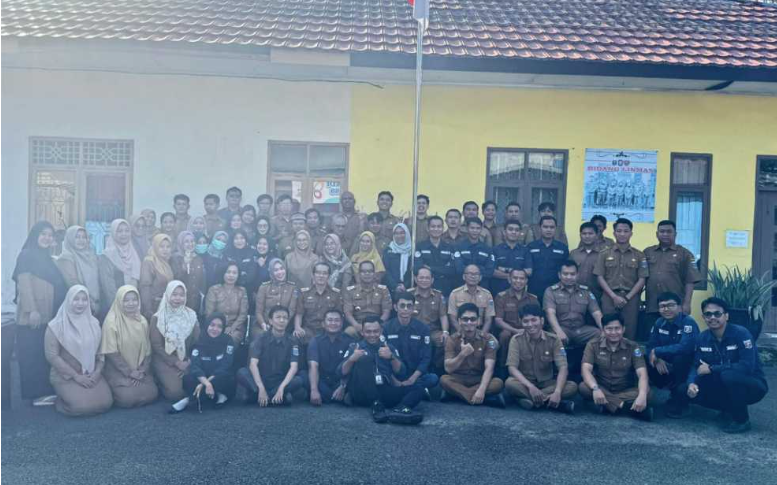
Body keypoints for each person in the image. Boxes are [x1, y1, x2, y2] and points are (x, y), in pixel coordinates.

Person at [683, 298, 768, 433]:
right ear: (703, 317)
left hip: (753, 385)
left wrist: (712, 368)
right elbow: (696, 365)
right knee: (683, 390)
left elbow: (747, 366)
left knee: (729, 375)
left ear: (726, 316)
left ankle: (742, 420)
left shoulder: (741, 334)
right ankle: (728, 409)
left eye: (717, 314)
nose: (712, 317)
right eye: (708, 314)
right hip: (722, 381)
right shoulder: (702, 338)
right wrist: (691, 383)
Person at [13, 221, 68, 406]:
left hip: (47, 313)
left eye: (50, 235)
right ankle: (35, 395)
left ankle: (44, 392)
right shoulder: (26, 255)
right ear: (35, 235)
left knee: (42, 353)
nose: (47, 238)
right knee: (31, 354)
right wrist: (32, 310)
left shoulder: (47, 257)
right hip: (33, 315)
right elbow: (24, 284)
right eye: (43, 234)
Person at [338, 317, 424, 424]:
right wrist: (351, 359)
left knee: (418, 387)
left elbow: (401, 372)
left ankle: (399, 410)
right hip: (362, 392)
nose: (372, 335)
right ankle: (376, 407)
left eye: (375, 331)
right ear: (362, 332)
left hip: (384, 389)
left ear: (381, 331)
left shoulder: (388, 347)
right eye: (368, 332)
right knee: (365, 359)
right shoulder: (355, 347)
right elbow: (340, 372)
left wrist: (391, 357)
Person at [44, 286, 113, 416]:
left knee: (105, 403)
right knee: (80, 407)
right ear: (68, 300)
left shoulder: (94, 323)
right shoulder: (55, 325)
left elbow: (100, 353)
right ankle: (60, 402)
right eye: (76, 299)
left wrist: (97, 373)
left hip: (91, 374)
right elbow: (52, 356)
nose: (80, 303)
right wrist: (76, 376)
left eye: (84, 299)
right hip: (66, 376)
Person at [504, 304, 576, 413]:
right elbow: (512, 368)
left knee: (572, 386)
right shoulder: (516, 340)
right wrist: (531, 387)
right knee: (509, 383)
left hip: (547, 383)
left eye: (534, 320)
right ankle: (550, 401)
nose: (530, 324)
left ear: (542, 320)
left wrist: (557, 392)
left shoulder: (554, 340)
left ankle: (528, 400)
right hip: (525, 383)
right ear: (521, 322)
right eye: (526, 321)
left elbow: (563, 367)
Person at [579, 314, 652, 421]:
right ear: (603, 330)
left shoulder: (632, 346)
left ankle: (606, 405)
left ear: (623, 329)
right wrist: (596, 388)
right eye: (609, 329)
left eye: (617, 328)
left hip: (624, 389)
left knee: (647, 393)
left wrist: (642, 395)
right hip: (601, 387)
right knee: (583, 387)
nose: (613, 332)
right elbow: (586, 370)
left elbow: (642, 373)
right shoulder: (593, 345)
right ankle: (627, 409)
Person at [100, 285, 158, 408]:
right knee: (128, 399)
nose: (131, 303)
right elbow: (111, 353)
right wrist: (130, 372)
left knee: (152, 394)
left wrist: (142, 370)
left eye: (134, 299)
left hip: (139, 370)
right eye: (126, 300)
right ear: (119, 301)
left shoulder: (142, 321)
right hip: (119, 370)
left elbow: (147, 350)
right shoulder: (111, 322)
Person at [645, 292, 699, 418]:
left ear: (679, 307)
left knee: (680, 358)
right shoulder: (659, 322)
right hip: (665, 364)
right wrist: (657, 359)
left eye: (670, 305)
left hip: (686, 367)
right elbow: (650, 347)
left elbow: (686, 348)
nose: (666, 309)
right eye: (662, 306)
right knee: (643, 360)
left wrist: (658, 351)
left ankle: (681, 400)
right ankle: (647, 396)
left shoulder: (688, 322)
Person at [238, 305, 305, 406]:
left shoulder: (293, 341)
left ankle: (259, 397)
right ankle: (273, 397)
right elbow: (253, 364)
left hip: (280, 381)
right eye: (278, 317)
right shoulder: (261, 338)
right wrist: (261, 388)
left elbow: (294, 367)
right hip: (261, 379)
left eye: (285, 318)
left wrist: (281, 388)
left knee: (298, 380)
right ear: (270, 321)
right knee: (241, 372)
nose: (282, 320)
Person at [170, 312, 237, 413]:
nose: (215, 329)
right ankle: (213, 394)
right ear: (207, 325)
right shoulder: (198, 342)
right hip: (202, 376)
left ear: (223, 328)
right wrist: (207, 384)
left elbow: (226, 365)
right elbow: (195, 366)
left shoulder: (228, 340)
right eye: (212, 325)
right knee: (188, 379)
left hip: (218, 376)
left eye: (219, 326)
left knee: (228, 378)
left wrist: (203, 384)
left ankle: (189, 400)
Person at [441, 303, 505, 407]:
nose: (469, 322)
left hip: (479, 379)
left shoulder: (488, 339)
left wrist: (481, 389)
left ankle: (458, 395)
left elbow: (489, 368)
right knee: (444, 380)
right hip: (458, 378)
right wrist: (462, 354)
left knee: (498, 383)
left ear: (478, 321)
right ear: (459, 321)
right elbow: (448, 369)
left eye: (473, 319)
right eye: (465, 319)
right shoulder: (452, 339)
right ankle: (483, 399)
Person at [594, 218, 648, 341]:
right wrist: (614, 297)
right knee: (608, 331)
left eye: (625, 231)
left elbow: (642, 279)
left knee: (629, 331)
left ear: (631, 233)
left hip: (631, 299)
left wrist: (627, 298)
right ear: (614, 233)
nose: (622, 234)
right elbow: (600, 277)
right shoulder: (604, 254)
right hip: (609, 298)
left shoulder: (639, 255)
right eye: (619, 231)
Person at [149, 281, 201, 401]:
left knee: (194, 385)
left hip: (186, 359)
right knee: (176, 393)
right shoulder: (158, 318)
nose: (178, 298)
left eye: (181, 295)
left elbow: (197, 342)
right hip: (164, 359)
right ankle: (159, 381)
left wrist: (188, 362)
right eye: (174, 294)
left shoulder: (191, 316)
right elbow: (156, 346)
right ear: (167, 295)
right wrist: (176, 362)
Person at [643, 220, 701, 318]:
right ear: (657, 234)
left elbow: (690, 281)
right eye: (662, 231)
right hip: (652, 305)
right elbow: (641, 278)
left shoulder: (685, 254)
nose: (665, 234)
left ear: (675, 234)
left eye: (669, 231)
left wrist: (687, 304)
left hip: (674, 307)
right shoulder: (647, 252)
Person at [383, 292, 439, 392]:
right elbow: (383, 358)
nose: (405, 309)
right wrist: (393, 380)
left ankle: (405, 389)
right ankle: (415, 390)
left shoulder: (423, 329)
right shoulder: (386, 328)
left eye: (409, 306)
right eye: (402, 306)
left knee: (433, 378)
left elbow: (426, 358)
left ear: (413, 308)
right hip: (395, 373)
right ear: (395, 307)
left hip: (415, 374)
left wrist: (412, 379)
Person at [543, 260, 603, 349]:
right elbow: (550, 314)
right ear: (559, 275)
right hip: (561, 328)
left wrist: (604, 329)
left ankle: (589, 358)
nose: (569, 277)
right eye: (565, 274)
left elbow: (597, 313)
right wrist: (559, 331)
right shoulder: (551, 291)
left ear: (577, 275)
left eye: (572, 274)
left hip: (581, 330)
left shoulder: (585, 291)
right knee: (552, 337)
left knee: (600, 335)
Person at [306, 310, 354, 405]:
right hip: (322, 380)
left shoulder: (349, 341)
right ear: (323, 324)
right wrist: (314, 390)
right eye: (330, 320)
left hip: (340, 381)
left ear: (342, 323)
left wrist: (343, 386)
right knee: (304, 376)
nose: (333, 323)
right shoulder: (315, 341)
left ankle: (329, 396)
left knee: (356, 375)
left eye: (337, 320)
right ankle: (337, 397)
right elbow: (313, 366)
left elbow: (351, 367)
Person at [493, 269, 539, 366]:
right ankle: (503, 366)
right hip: (509, 330)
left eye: (522, 278)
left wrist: (527, 330)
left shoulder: (533, 299)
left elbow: (537, 320)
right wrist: (515, 331)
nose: (518, 281)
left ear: (526, 281)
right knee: (504, 335)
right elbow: (498, 320)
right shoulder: (501, 297)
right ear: (509, 279)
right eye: (515, 278)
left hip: (528, 328)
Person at [409, 267, 450, 372]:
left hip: (432, 331)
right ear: (415, 279)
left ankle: (437, 368)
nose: (424, 280)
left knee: (445, 340)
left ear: (432, 280)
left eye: (427, 278)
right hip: (412, 330)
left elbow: (443, 316)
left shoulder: (438, 296)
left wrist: (445, 332)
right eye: (421, 277)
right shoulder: (409, 294)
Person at [56, 225, 102, 316]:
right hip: (78, 304)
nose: (81, 240)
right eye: (77, 237)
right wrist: (89, 302)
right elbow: (73, 282)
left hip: (97, 303)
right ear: (70, 239)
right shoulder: (66, 258)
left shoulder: (92, 256)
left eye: (83, 237)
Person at [99, 219, 142, 316]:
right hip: (114, 307)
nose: (124, 234)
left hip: (133, 305)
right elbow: (108, 287)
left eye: (127, 231)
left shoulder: (134, 252)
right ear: (113, 233)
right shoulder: (106, 256)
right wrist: (119, 308)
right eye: (119, 231)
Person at [294, 263, 343, 344]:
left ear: (329, 276)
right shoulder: (304, 293)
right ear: (313, 275)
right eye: (318, 273)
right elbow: (299, 314)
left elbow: (339, 316)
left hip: (328, 331)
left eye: (324, 273)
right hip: (308, 330)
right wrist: (297, 327)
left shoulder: (335, 294)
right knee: (295, 337)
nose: (321, 276)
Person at [343, 261, 392, 338]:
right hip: (358, 325)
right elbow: (348, 313)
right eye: (363, 271)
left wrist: (377, 325)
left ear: (374, 274)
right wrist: (356, 325)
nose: (367, 274)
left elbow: (386, 312)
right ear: (359, 274)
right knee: (349, 331)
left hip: (378, 324)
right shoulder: (350, 291)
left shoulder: (383, 290)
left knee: (389, 330)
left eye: (370, 271)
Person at [526, 216, 569, 304]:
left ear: (555, 229)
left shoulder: (562, 248)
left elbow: (566, 270)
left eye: (552, 227)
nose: (549, 230)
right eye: (545, 227)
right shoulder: (531, 247)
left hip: (556, 290)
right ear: (540, 228)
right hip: (534, 289)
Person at [253, 259, 299, 337]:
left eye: (282, 268)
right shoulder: (264, 287)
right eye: (276, 270)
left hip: (285, 326)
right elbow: (258, 312)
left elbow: (291, 311)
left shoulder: (292, 288)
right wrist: (263, 324)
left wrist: (279, 325)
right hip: (265, 326)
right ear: (271, 272)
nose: (280, 272)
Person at [205, 262, 249, 345]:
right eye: (228, 272)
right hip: (215, 326)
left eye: (234, 273)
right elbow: (209, 313)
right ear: (223, 273)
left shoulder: (242, 291)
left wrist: (232, 328)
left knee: (230, 339)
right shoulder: (213, 290)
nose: (231, 275)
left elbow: (243, 314)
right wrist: (219, 327)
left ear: (238, 275)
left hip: (235, 328)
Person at [413, 215, 457, 297]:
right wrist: (442, 269)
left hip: (445, 288)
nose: (436, 229)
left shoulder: (450, 247)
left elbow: (452, 270)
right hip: (426, 289)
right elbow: (418, 267)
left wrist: (431, 268)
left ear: (443, 228)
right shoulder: (420, 246)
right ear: (428, 228)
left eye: (439, 226)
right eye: (433, 226)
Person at [447, 265, 495, 333]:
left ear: (480, 277)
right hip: (460, 331)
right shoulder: (455, 294)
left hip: (480, 330)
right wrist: (462, 333)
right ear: (464, 276)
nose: (473, 276)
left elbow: (488, 319)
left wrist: (482, 334)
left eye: (476, 274)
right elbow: (452, 318)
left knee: (494, 340)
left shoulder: (487, 294)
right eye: (470, 273)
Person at [491, 219, 532, 295]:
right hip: (499, 292)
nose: (514, 232)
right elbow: (493, 272)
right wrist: (516, 277)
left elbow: (529, 271)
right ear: (504, 232)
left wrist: (505, 270)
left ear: (520, 233)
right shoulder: (495, 250)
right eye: (510, 229)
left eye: (517, 230)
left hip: (520, 293)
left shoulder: (525, 251)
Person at [139, 234, 174, 321]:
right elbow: (145, 287)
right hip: (153, 307)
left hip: (166, 306)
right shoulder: (149, 262)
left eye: (168, 246)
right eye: (161, 246)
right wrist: (148, 310)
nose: (165, 249)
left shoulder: (166, 262)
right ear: (155, 247)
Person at [171, 230, 205, 314]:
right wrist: (185, 265)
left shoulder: (198, 258)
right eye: (186, 241)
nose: (190, 244)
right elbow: (175, 279)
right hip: (179, 300)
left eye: (192, 241)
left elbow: (201, 280)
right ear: (181, 243)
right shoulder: (175, 258)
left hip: (195, 301)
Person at [453, 217, 495, 283]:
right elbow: (459, 269)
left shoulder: (487, 249)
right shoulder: (458, 247)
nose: (475, 231)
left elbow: (489, 272)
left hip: (482, 285)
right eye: (472, 228)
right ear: (467, 229)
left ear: (481, 229)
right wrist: (481, 268)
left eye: (478, 228)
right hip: (462, 285)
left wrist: (468, 270)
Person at [570, 222, 603, 300]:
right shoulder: (573, 253)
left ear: (597, 235)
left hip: (597, 295)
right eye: (584, 233)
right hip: (575, 295)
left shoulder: (603, 254)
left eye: (590, 233)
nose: (587, 236)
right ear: (580, 235)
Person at [383, 223, 413, 296]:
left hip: (409, 289)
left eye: (402, 233)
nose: (399, 236)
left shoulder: (413, 250)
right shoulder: (388, 250)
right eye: (396, 233)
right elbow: (386, 270)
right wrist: (395, 286)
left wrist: (405, 285)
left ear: (407, 234)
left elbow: (413, 270)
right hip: (391, 289)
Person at [226, 229, 259, 297]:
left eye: (242, 238)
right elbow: (225, 272)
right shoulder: (227, 252)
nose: (239, 241)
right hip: (229, 289)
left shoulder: (252, 252)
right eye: (236, 238)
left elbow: (252, 274)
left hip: (248, 289)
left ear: (246, 239)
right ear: (232, 240)